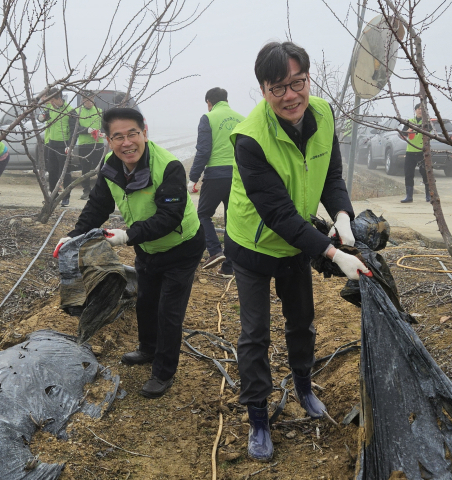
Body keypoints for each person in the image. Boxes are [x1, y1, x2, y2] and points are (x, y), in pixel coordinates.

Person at [226, 41, 370, 462]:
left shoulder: (323, 114)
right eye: (278, 88)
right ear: (263, 90)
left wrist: (342, 216)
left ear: (307, 80)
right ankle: (257, 417)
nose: (290, 96)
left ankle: (304, 388)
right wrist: (333, 253)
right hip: (254, 244)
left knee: (302, 321)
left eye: (297, 83)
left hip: (297, 243)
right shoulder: (250, 138)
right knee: (254, 334)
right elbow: (278, 214)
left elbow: (332, 174)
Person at [55, 107, 205, 399]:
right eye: (118, 136)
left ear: (144, 132)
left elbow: (170, 216)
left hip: (182, 247)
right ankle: (148, 349)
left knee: (169, 311)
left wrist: (126, 236)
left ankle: (164, 372)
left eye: (132, 134)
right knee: (146, 301)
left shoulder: (168, 166)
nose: (127, 143)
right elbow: (98, 205)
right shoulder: (111, 166)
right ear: (109, 141)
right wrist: (73, 235)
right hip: (148, 247)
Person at [188, 87, 244, 278]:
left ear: (209, 102)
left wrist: (193, 178)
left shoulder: (208, 118)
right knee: (232, 222)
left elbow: (203, 150)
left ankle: (214, 251)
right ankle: (229, 268)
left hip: (215, 175)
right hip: (237, 176)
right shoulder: (241, 119)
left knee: (203, 214)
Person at [39, 88, 78, 207]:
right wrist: (41, 117)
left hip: (64, 145)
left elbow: (74, 131)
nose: (50, 102)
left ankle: (65, 197)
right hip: (51, 144)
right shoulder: (50, 108)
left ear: (59, 99)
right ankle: (53, 196)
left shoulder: (70, 111)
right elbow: (43, 117)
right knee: (52, 171)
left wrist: (70, 146)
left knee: (65, 172)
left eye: (52, 100)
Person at [76, 91, 105, 200]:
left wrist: (102, 132)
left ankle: (101, 191)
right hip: (84, 145)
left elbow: (104, 126)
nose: (90, 102)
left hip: (98, 144)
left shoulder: (100, 111)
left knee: (100, 168)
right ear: (83, 100)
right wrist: (87, 130)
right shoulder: (78, 112)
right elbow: (76, 128)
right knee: (85, 169)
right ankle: (86, 191)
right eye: (87, 100)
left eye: (92, 99)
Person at [400, 103, 430, 203]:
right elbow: (402, 134)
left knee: (425, 173)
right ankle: (409, 196)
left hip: (422, 152)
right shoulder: (410, 122)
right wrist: (407, 131)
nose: (420, 110)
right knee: (408, 174)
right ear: (415, 110)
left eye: (422, 109)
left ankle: (428, 195)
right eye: (418, 109)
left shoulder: (426, 123)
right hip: (410, 152)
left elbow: (430, 134)